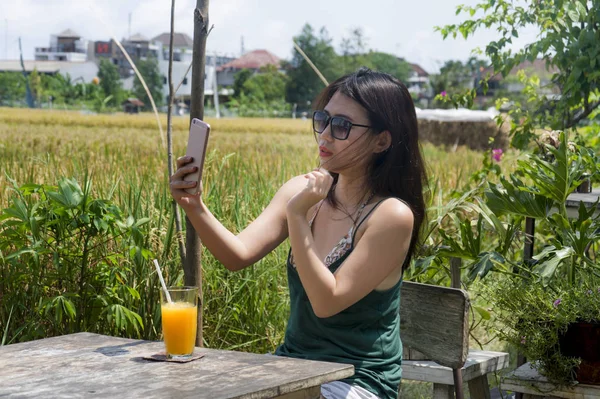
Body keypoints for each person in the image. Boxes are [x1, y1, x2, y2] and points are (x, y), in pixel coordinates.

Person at [169, 67, 427, 399]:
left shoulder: (391, 215)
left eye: (343, 126)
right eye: (323, 119)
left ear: (382, 140)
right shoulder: (302, 193)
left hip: (357, 381)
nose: (326, 135)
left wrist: (297, 214)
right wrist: (194, 204)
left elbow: (326, 302)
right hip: (291, 370)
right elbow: (237, 255)